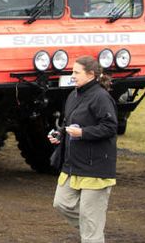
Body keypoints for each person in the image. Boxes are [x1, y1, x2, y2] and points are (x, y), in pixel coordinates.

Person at [49, 56, 118, 243]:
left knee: (90, 225)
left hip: (96, 168)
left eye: (76, 72)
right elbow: (70, 124)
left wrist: (83, 133)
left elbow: (111, 127)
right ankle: (93, 230)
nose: (72, 76)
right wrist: (60, 135)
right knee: (61, 203)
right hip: (73, 165)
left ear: (91, 75)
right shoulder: (73, 95)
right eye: (72, 72)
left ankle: (93, 234)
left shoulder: (101, 97)